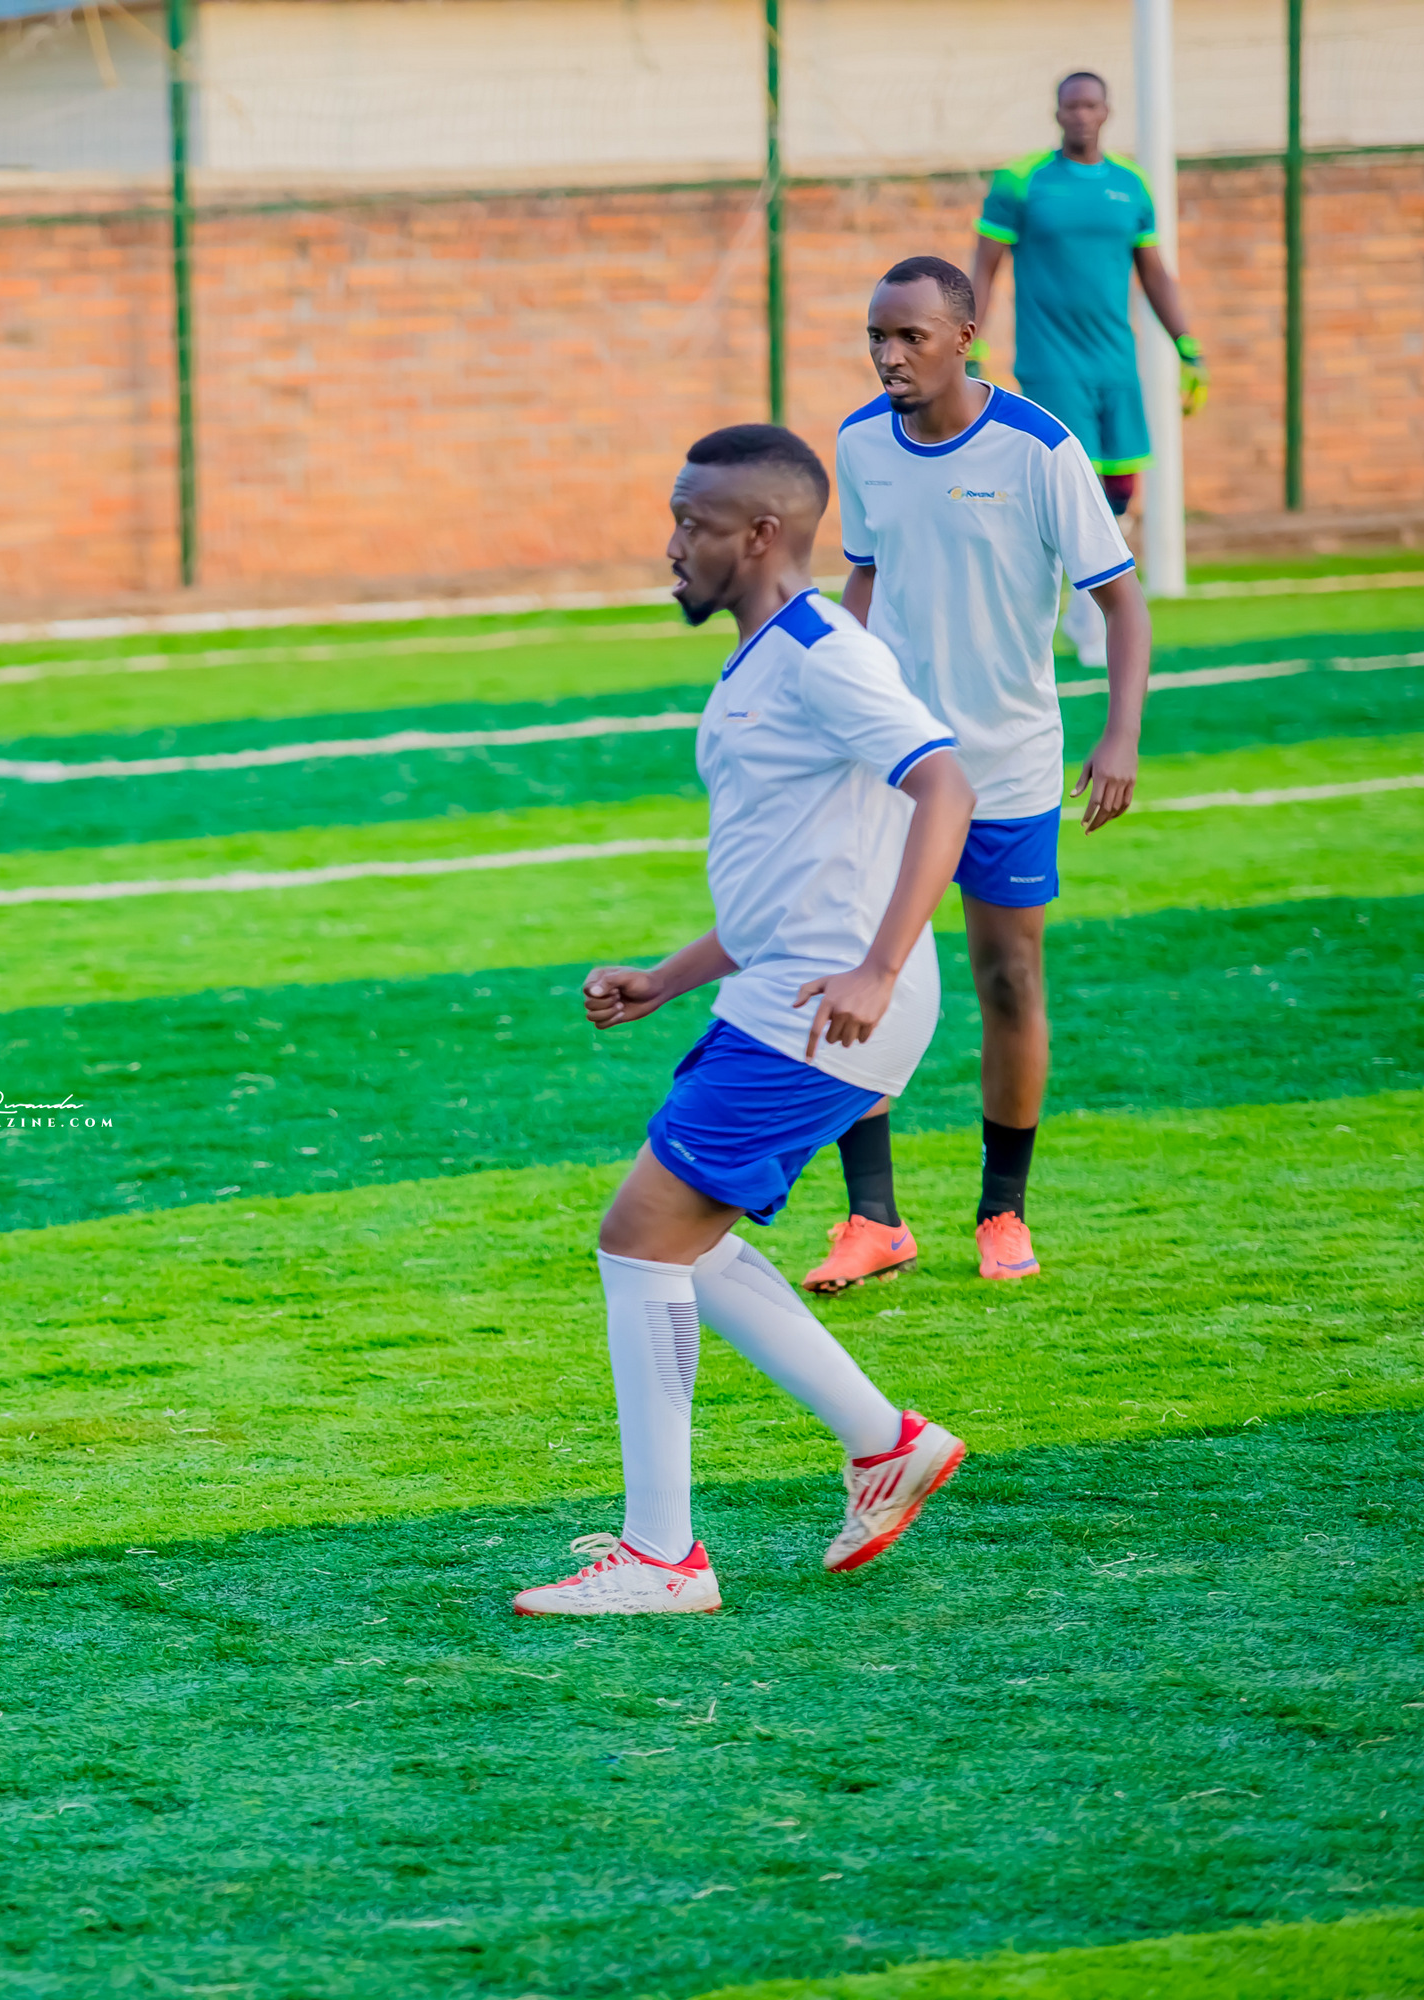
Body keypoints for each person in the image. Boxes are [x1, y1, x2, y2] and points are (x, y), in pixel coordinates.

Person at [513, 423, 975, 1618]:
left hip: (826, 1004)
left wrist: (879, 966)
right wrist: (667, 976)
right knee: (687, 1240)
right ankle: (885, 1443)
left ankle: (663, 1556)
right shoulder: (761, 659)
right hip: (781, 987)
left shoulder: (824, 652)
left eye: (695, 524)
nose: (673, 545)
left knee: (639, 1239)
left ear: (762, 534)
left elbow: (946, 783)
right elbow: (791, 877)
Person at [806, 257, 1148, 1296]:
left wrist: (1120, 735)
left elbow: (1122, 603)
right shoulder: (861, 440)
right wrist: (837, 702)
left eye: (909, 336)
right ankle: (873, 1218)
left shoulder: (1040, 449)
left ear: (964, 337)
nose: (888, 355)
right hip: (893, 767)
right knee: (860, 967)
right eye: (877, 336)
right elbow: (864, 576)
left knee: (1009, 979)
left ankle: (1003, 1210)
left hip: (1008, 765)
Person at [971, 68, 1204, 668]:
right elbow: (983, 269)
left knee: (1120, 488)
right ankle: (1077, 616)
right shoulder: (1021, 181)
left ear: (1106, 111)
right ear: (1057, 113)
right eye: (1070, 106)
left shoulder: (1131, 185)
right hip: (1050, 362)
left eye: (1090, 105)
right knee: (1071, 485)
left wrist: (1187, 345)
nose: (1080, 114)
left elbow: (1155, 273)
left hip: (1116, 363)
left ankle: (1086, 611)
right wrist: (971, 344)